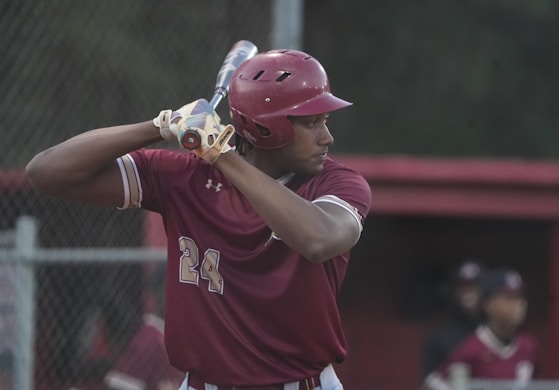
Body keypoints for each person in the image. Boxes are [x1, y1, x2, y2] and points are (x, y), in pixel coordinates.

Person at [26, 48, 372, 390]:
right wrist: (161, 125)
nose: (327, 137)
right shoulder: (184, 176)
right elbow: (47, 172)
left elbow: (318, 240)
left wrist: (222, 155)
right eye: (311, 123)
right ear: (267, 128)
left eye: (324, 122)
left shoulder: (337, 183)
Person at [423, 268, 537, 390]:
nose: (518, 305)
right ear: (489, 305)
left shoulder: (528, 346)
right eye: (509, 298)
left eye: (520, 298)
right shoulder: (472, 348)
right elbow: (432, 383)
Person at [420, 260, 484, 380]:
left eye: (475, 286)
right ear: (453, 291)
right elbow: (428, 382)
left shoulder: (500, 332)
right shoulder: (438, 336)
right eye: (463, 286)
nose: (469, 292)